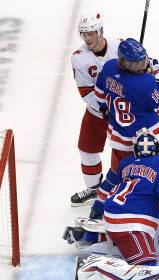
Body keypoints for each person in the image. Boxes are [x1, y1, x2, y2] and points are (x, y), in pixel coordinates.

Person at [90, 38, 159, 220]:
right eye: (137, 62)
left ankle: (97, 210)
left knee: (115, 176)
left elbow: (99, 97)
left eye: (142, 60)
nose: (142, 65)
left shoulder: (109, 67)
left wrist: (110, 108)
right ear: (125, 61)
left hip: (119, 139)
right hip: (151, 139)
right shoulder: (144, 83)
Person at [64, 131, 159, 266]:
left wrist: (97, 208)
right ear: (157, 148)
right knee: (147, 262)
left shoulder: (125, 162)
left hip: (114, 214)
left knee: (142, 239)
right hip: (132, 223)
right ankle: (97, 266)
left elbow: (107, 186)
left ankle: (89, 235)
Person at [69, 12, 121, 206]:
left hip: (123, 113)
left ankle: (128, 190)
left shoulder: (118, 45)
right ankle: (93, 190)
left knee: (125, 152)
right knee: (87, 149)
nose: (88, 38)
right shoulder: (78, 58)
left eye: (91, 33)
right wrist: (104, 106)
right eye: (84, 34)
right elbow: (85, 91)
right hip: (97, 113)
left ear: (100, 31)